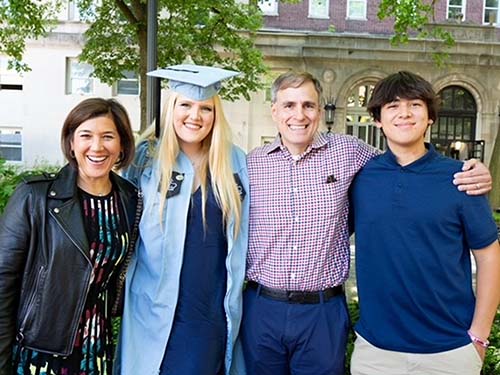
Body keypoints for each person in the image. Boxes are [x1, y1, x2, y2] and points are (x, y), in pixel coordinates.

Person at [240, 70, 493, 375]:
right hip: (267, 307)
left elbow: (489, 255)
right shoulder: (248, 164)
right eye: (289, 105)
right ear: (275, 111)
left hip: (326, 311)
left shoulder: (351, 154)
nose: (299, 114)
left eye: (308, 105)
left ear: (320, 112)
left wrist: (479, 170)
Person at [349, 71, 500, 375]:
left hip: (449, 351)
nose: (404, 113)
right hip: (375, 352)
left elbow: (490, 257)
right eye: (392, 106)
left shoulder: (461, 178)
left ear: (430, 116)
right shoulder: (360, 178)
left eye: (414, 104)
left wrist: (478, 338)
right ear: (377, 119)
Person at [117, 64, 249, 375]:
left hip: (209, 310)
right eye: (185, 105)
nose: (195, 116)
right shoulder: (143, 159)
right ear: (170, 108)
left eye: (206, 108)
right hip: (153, 307)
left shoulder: (235, 162)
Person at [0, 98, 142, 375]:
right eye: (86, 135)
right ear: (71, 144)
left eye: (108, 137)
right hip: (41, 350)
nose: (97, 146)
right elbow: (3, 283)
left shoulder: (130, 200)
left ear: (122, 145)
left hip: (96, 347)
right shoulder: (35, 197)